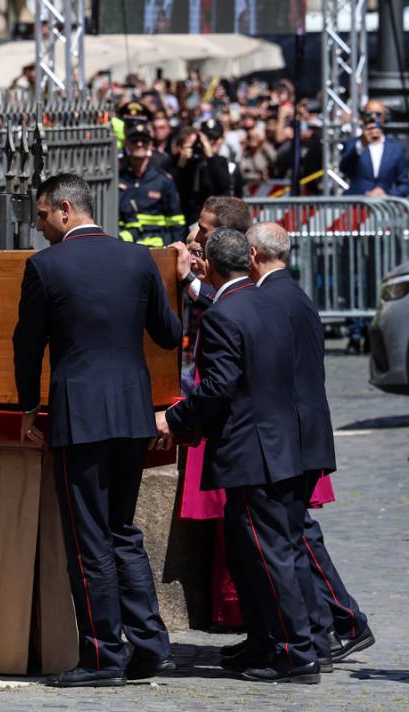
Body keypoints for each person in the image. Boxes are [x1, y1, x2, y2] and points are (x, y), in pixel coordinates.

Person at [13, 173, 182, 687]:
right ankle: (151, 646)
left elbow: (27, 345)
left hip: (80, 416)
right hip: (130, 413)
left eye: (42, 215)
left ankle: (103, 656)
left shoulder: (45, 265)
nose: (39, 226)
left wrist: (27, 408)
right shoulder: (137, 258)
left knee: (89, 540)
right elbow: (170, 333)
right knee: (122, 531)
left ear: (65, 209)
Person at [156, 227, 320, 684]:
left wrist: (176, 420)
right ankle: (271, 640)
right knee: (263, 552)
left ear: (207, 264)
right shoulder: (273, 300)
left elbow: (217, 389)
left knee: (268, 554)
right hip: (287, 443)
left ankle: (294, 650)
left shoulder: (227, 313)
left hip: (258, 451)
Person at [244, 222, 375, 664]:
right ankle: (327, 628)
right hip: (304, 431)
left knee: (295, 536)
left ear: (254, 254)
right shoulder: (292, 294)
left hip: (292, 435)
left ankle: (336, 624)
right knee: (297, 534)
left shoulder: (271, 298)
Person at [117, 121, 185, 247]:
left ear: (150, 144)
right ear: (126, 144)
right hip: (125, 247)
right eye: (134, 140)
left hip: (156, 248)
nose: (139, 144)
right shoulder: (118, 179)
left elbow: (176, 223)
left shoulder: (163, 181)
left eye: (144, 140)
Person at [340, 100, 409, 198]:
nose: (373, 117)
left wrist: (386, 195)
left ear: (384, 118)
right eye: (369, 114)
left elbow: (405, 184)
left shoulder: (396, 148)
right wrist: (362, 144)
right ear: (362, 117)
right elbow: (344, 168)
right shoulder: (352, 144)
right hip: (358, 207)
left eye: (378, 114)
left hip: (386, 207)